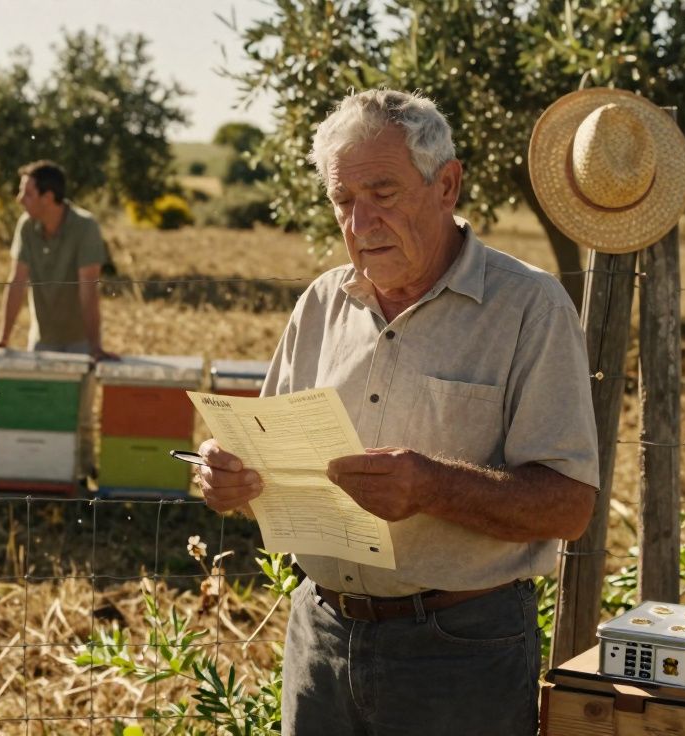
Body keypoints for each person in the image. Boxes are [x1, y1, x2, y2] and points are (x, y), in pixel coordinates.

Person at [194, 90, 600, 735]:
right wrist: (232, 483)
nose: (360, 223)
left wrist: (431, 486)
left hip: (460, 652)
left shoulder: (530, 307)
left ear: (447, 185)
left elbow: (569, 508)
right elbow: (268, 474)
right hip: (321, 638)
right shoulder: (322, 302)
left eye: (382, 193)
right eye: (342, 201)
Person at [0, 160, 117, 360]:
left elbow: (88, 288)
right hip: (42, 340)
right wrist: (3, 337)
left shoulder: (85, 227)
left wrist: (94, 346)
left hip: (80, 342)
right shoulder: (26, 226)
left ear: (48, 198)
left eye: (27, 194)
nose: (19, 199)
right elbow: (17, 281)